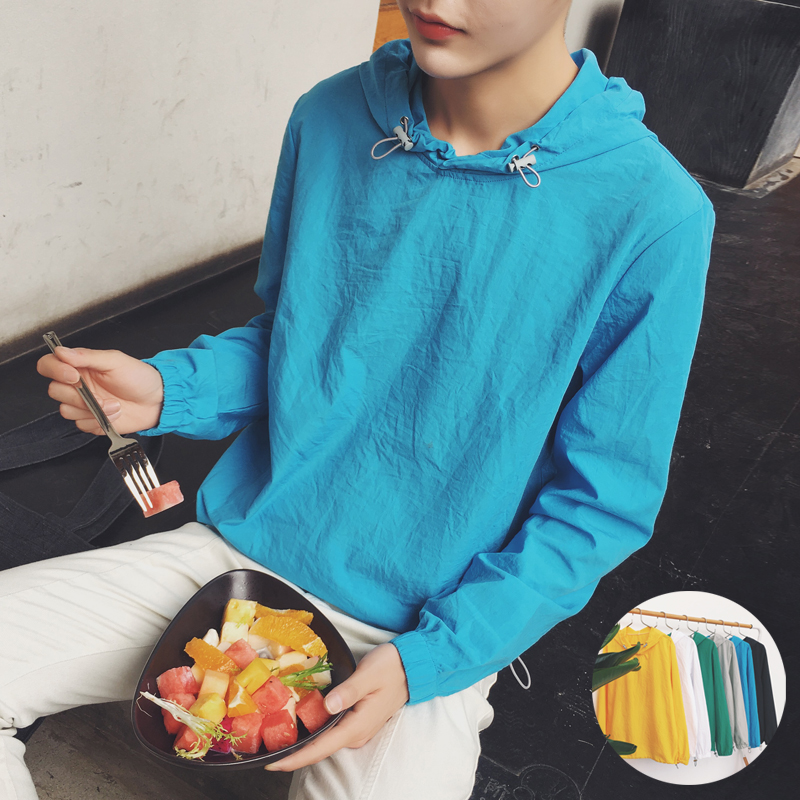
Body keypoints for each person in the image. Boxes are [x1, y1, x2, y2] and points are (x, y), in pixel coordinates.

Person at [1, 1, 715, 798]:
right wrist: (175, 388)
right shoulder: (331, 115)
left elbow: (601, 504)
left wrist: (430, 662)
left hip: (423, 627)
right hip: (238, 561)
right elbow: (299, 337)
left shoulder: (655, 214)